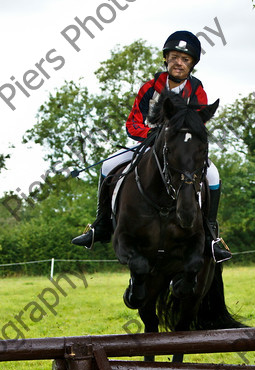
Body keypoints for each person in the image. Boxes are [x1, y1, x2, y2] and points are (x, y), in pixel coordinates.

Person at [72, 30, 231, 262]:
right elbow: (132, 123)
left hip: (181, 149)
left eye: (185, 59)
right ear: (166, 58)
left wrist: (173, 137)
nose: (179, 63)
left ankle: (210, 235)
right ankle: (102, 224)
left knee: (213, 175)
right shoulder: (149, 87)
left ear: (192, 64)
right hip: (146, 143)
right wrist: (154, 135)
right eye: (175, 57)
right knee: (108, 164)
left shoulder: (198, 91)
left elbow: (198, 126)